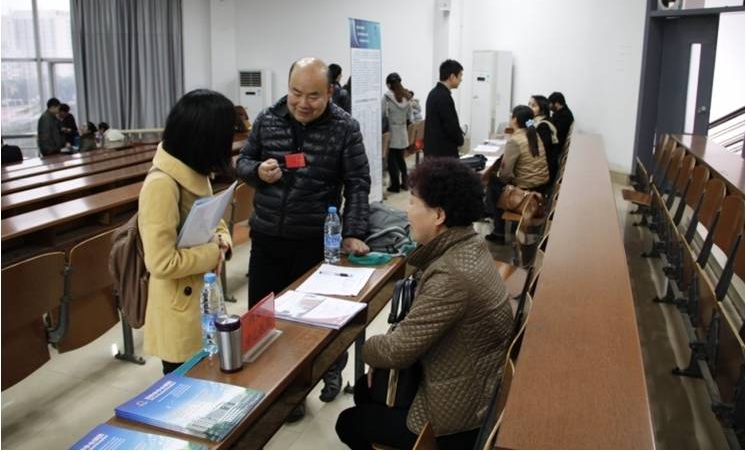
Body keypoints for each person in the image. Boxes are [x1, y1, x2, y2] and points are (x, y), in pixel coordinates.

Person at [336, 157, 513, 450]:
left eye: (413, 202)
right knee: (367, 393)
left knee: (349, 422)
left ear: (439, 215)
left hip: (458, 414)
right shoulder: (469, 245)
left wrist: (361, 345)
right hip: (472, 385)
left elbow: (396, 351)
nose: (407, 211)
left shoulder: (450, 276)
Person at [236, 57, 371, 416]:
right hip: (268, 236)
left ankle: (329, 367)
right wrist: (257, 171)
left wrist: (353, 232)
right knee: (262, 321)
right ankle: (283, 393)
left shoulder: (345, 128)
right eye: (296, 93)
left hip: (315, 240)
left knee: (315, 322)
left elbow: (358, 183)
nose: (303, 103)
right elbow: (242, 162)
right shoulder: (267, 119)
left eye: (313, 95)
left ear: (329, 92)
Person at [138, 89, 234, 375]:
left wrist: (223, 241)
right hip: (179, 310)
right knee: (186, 388)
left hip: (203, 299)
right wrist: (213, 252)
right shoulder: (162, 185)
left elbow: (215, 222)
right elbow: (161, 262)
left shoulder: (195, 171)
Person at [484, 105, 550, 243]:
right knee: (497, 182)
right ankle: (491, 215)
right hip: (541, 185)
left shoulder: (515, 140)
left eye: (511, 116)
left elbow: (506, 174)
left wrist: (499, 175)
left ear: (515, 119)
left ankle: (498, 232)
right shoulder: (534, 134)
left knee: (493, 182)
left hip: (526, 188)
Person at [424, 60, 464, 158]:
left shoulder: (434, 93)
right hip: (443, 154)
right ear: (452, 77)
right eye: (460, 76)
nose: (461, 79)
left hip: (433, 150)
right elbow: (451, 125)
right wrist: (460, 140)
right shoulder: (443, 96)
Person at [382, 72, 413, 193]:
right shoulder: (407, 97)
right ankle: (405, 183)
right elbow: (409, 116)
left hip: (392, 133)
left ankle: (394, 186)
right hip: (403, 132)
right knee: (401, 159)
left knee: (391, 161)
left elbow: (382, 114)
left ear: (389, 84)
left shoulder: (387, 98)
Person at [528, 95, 560, 181]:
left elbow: (542, 150)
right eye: (529, 104)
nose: (529, 107)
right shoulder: (533, 121)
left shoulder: (543, 126)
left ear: (542, 109)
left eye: (533, 105)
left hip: (543, 171)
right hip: (539, 166)